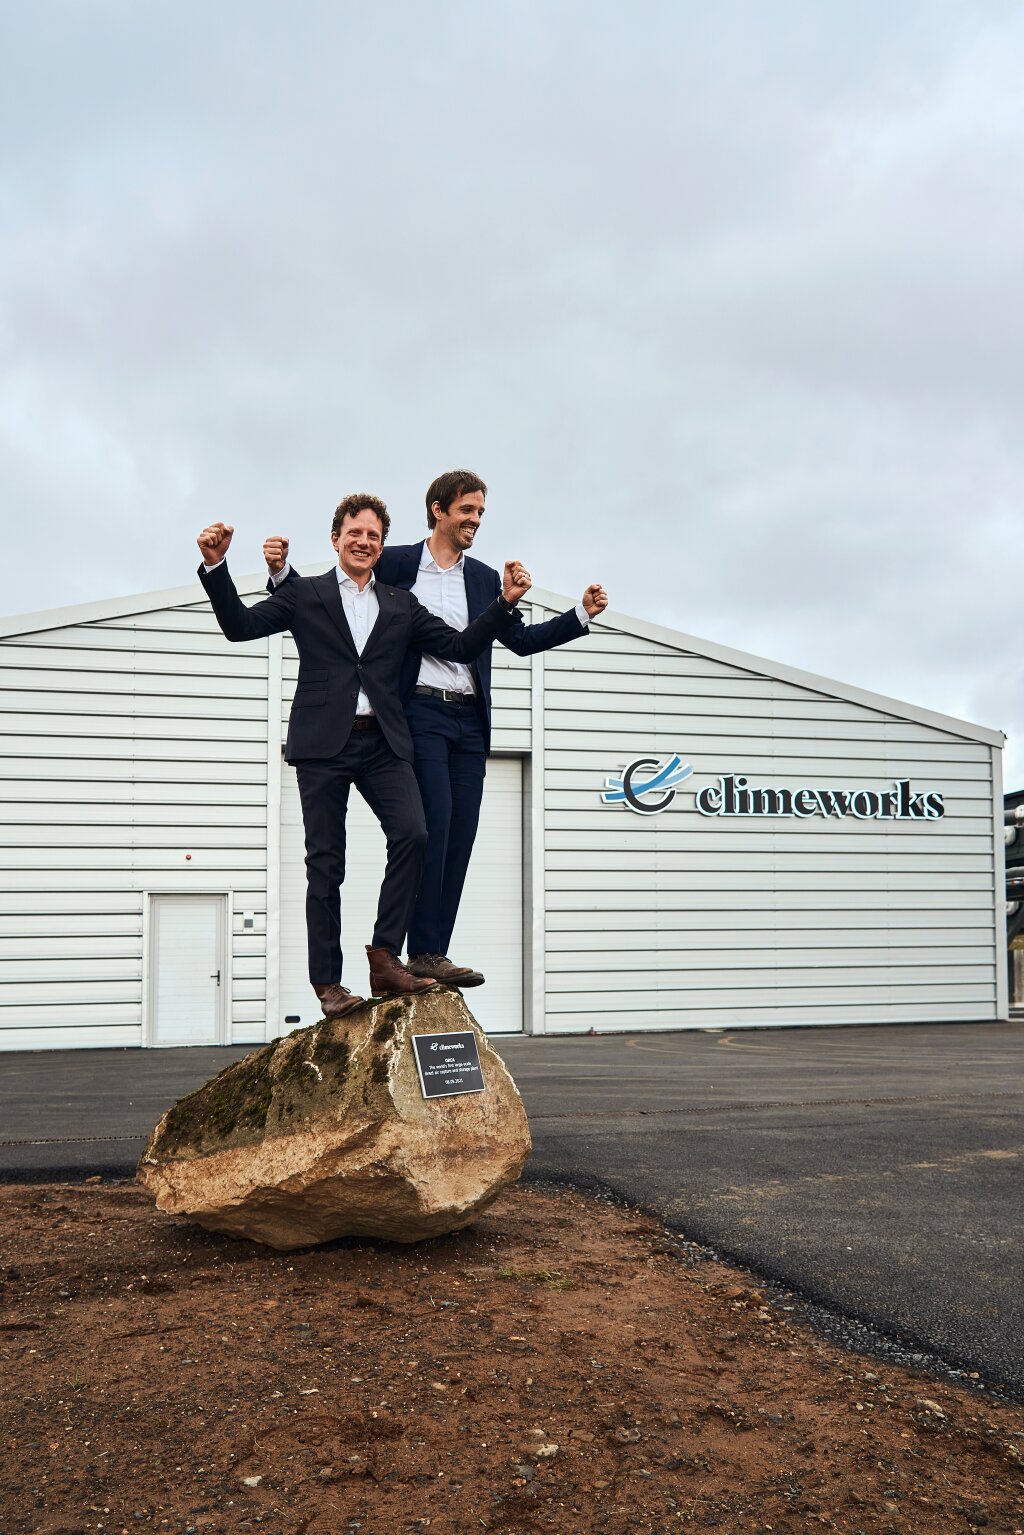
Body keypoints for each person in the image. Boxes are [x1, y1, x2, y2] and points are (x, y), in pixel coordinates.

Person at [263, 469, 607, 986]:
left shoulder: (485, 577)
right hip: (417, 712)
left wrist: (579, 614)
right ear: (438, 511)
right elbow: (327, 599)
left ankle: (432, 951)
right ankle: (401, 952)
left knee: (460, 837)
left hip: (470, 717)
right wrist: (280, 573)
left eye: (481, 513)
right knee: (432, 827)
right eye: (467, 510)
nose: (475, 520)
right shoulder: (396, 560)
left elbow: (516, 639)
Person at [197, 493, 532, 1019]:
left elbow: (462, 646)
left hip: (382, 742)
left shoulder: (400, 604)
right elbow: (239, 625)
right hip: (322, 746)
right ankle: (329, 984)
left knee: (415, 834)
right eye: (355, 533)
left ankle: (384, 959)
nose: (364, 542)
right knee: (326, 865)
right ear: (336, 539)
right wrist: (217, 566)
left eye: (374, 536)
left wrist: (504, 602)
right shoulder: (304, 595)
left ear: (381, 546)